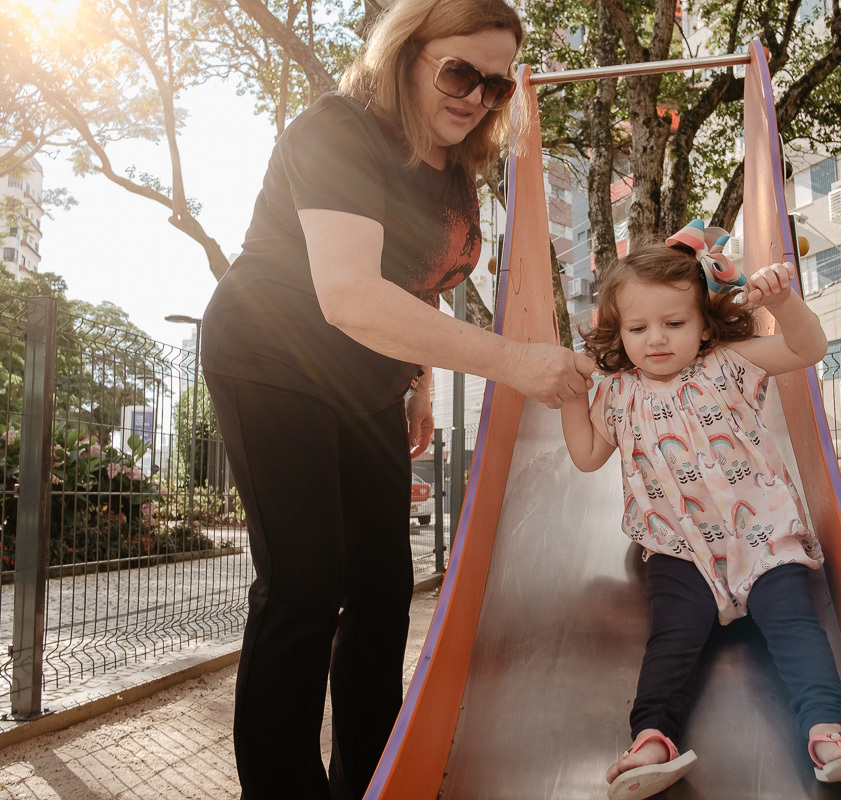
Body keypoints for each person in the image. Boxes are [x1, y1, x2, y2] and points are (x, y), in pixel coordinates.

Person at [199, 1, 594, 798]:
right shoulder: (340, 130)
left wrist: (417, 383)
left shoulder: (452, 170)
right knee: (306, 586)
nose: (477, 97)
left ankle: (374, 782)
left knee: (382, 591)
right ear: (406, 54)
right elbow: (349, 294)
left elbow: (417, 282)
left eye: (497, 84)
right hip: (273, 355)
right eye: (459, 72)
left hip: (366, 378)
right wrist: (514, 362)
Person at [559, 221, 841, 799]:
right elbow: (586, 456)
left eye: (674, 323)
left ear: (704, 323)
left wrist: (784, 303)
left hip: (763, 539)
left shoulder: (728, 364)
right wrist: (567, 396)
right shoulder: (618, 392)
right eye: (638, 327)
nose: (656, 338)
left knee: (794, 626)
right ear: (619, 331)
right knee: (671, 640)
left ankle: (826, 729)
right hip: (678, 550)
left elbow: (806, 349)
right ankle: (652, 739)